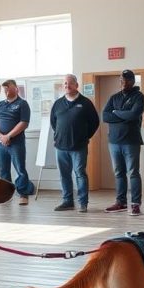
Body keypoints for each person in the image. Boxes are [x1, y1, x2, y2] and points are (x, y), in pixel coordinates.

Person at [50, 73, 100, 213]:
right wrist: (60, 135)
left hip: (79, 146)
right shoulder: (58, 103)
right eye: (65, 84)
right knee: (64, 174)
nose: (67, 86)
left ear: (76, 85)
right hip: (60, 146)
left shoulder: (85, 103)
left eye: (70, 83)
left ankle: (83, 203)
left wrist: (85, 136)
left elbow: (95, 122)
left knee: (80, 173)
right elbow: (54, 122)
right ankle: (68, 201)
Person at [102, 69, 144, 215]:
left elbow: (133, 115)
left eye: (127, 80)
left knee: (133, 172)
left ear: (133, 81)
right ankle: (121, 202)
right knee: (118, 173)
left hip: (131, 141)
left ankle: (135, 204)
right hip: (114, 142)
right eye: (121, 79)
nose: (123, 82)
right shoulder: (114, 97)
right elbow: (105, 116)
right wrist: (122, 115)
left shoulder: (139, 97)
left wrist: (116, 112)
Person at [0, 79, 35, 205]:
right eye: (4, 89)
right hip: (1, 144)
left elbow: (24, 123)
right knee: (3, 170)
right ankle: (6, 195)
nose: (6, 91)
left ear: (16, 89)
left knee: (20, 169)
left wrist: (8, 136)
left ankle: (23, 194)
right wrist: (0, 137)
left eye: (8, 88)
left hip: (16, 143)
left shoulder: (22, 104)